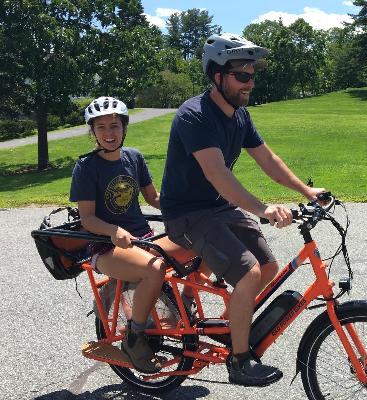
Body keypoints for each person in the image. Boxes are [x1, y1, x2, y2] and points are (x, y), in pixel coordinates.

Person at [160, 33, 326, 387]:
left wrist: (305, 190)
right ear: (217, 76)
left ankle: (228, 324)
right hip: (187, 215)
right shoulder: (194, 116)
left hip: (218, 209)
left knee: (269, 266)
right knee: (249, 274)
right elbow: (219, 176)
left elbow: (267, 159)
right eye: (242, 75)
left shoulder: (240, 116)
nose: (250, 83)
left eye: (253, 75)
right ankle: (239, 361)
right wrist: (265, 209)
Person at [70, 96, 195, 373]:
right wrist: (113, 231)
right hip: (105, 247)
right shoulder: (86, 167)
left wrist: (190, 205)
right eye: (101, 128)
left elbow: (153, 198)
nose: (109, 133)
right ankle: (134, 338)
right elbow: (87, 218)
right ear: (93, 132)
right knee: (155, 268)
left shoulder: (134, 158)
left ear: (124, 127)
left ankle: (184, 305)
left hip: (143, 239)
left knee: (203, 240)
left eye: (114, 126)